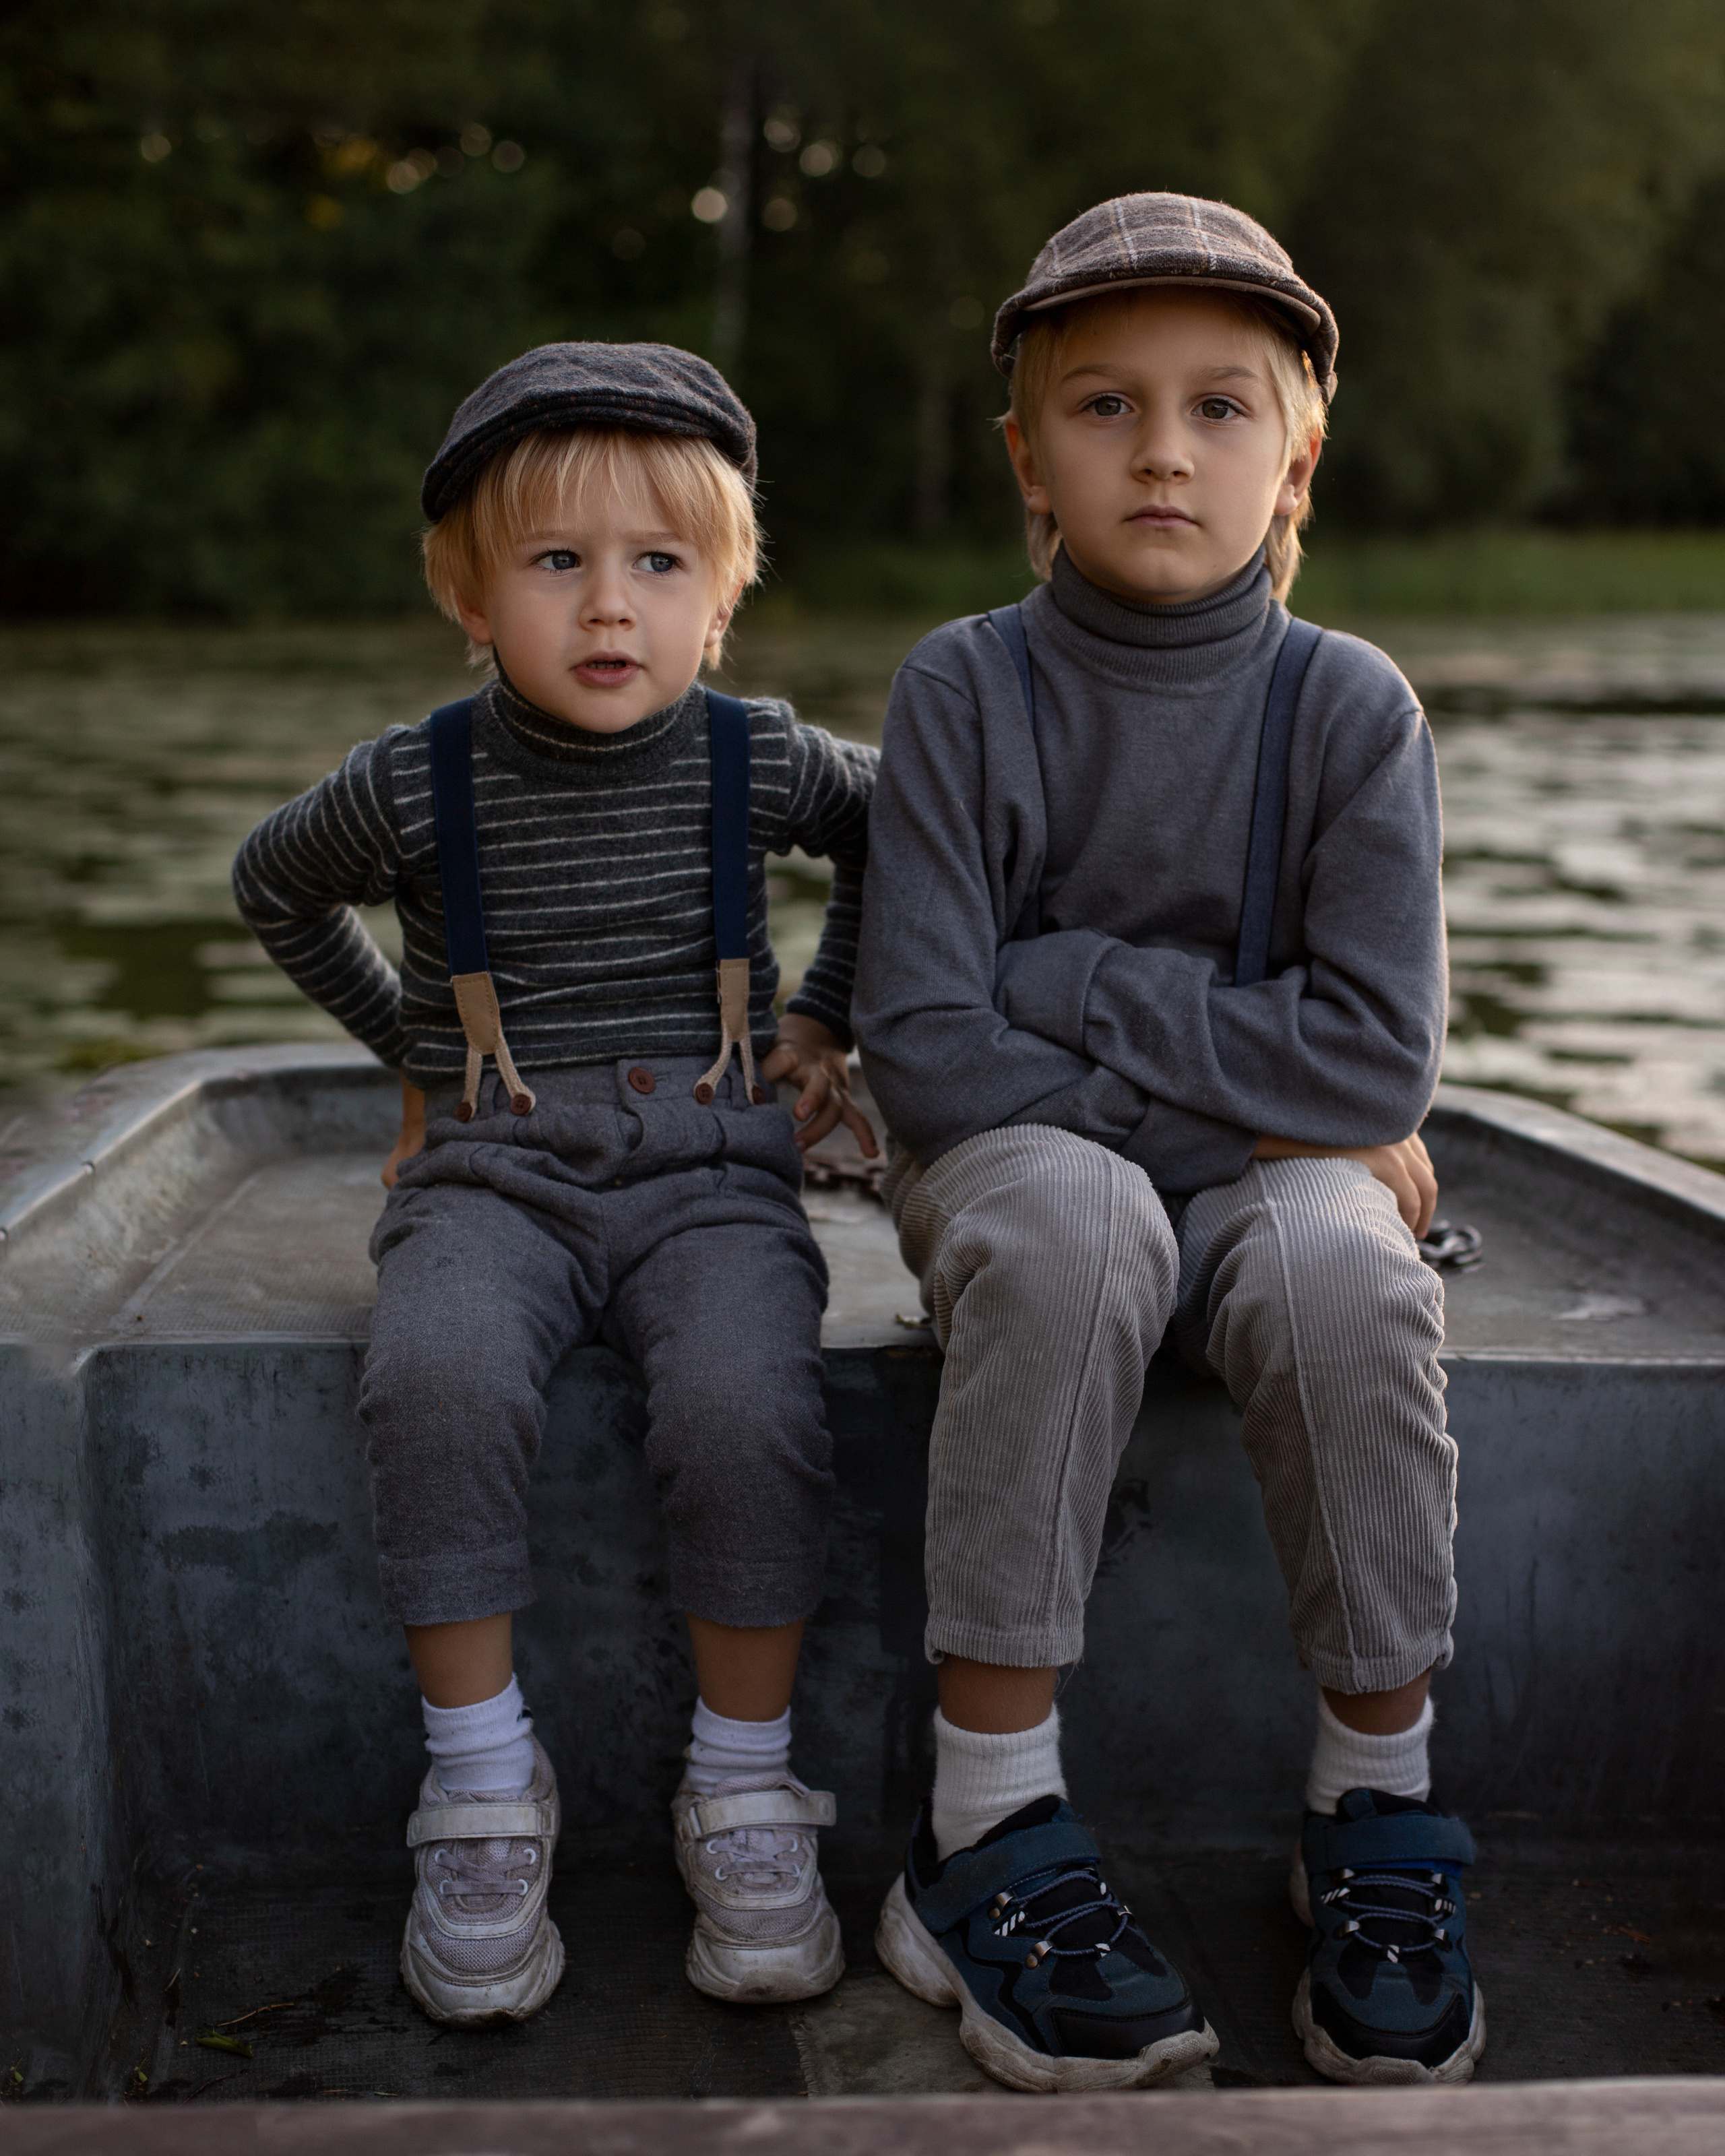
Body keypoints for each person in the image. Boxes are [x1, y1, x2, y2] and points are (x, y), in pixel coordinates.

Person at [852, 194, 1480, 2092]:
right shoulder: (967, 689)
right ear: (1030, 453)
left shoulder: (1349, 709)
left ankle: (1374, 1806)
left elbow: (1376, 1060)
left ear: (1296, 444)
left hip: (1272, 1166)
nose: (1162, 450)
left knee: (1347, 1263)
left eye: (1220, 406)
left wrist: (1079, 976)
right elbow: (937, 1059)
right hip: (1025, 1162)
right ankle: (982, 1826)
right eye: (1105, 406)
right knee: (1077, 1223)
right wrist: (1235, 1090)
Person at [232, 343, 877, 2027]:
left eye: (660, 565)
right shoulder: (412, 778)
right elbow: (271, 888)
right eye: (556, 562)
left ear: (720, 596)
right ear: (467, 590)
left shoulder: (760, 756)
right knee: (432, 1375)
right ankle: (482, 1785)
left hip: (715, 1167)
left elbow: (906, 838)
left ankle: (742, 1784)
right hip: (490, 1170)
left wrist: (825, 1015)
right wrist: (416, 1052)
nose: (611, 608)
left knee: (748, 1403)